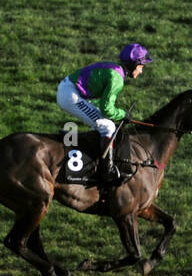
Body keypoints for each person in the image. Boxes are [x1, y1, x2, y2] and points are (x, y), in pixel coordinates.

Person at [56, 43, 152, 190]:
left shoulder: (116, 69)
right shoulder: (117, 79)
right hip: (70, 95)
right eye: (141, 66)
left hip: (71, 90)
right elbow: (107, 109)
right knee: (108, 126)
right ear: (134, 64)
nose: (142, 71)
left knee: (103, 122)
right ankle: (107, 170)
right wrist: (123, 114)